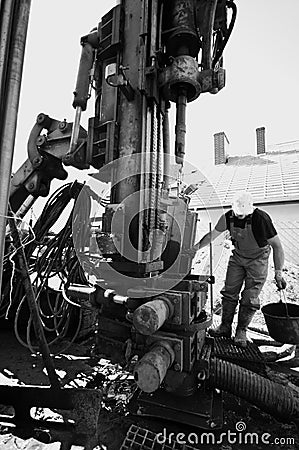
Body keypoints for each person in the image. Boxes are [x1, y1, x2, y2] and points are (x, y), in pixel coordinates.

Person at [193, 190, 286, 347]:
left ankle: (241, 331)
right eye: (238, 214)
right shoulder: (228, 217)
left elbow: (277, 246)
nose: (240, 217)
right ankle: (225, 327)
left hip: (258, 259)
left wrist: (278, 272)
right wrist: (195, 248)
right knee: (229, 291)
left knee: (250, 296)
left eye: (243, 215)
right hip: (238, 257)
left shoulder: (261, 219)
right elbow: (211, 235)